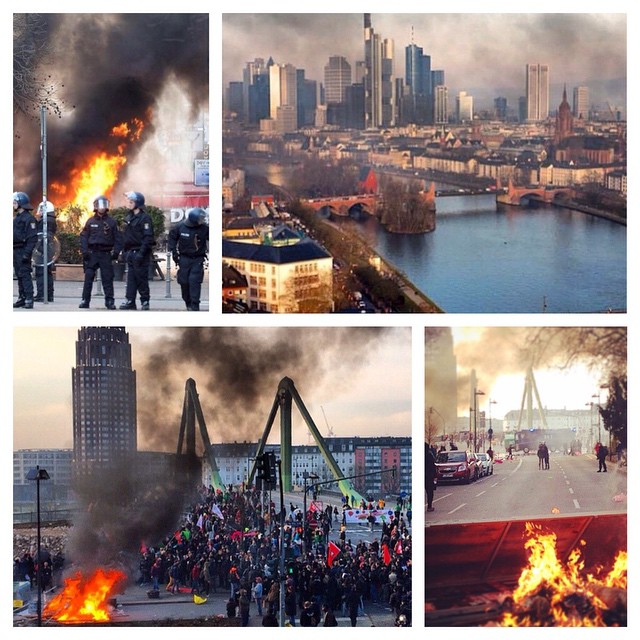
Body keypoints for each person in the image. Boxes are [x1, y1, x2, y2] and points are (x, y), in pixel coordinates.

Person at [78, 196, 122, 309]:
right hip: (92, 254)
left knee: (107, 279)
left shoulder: (111, 222)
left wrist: (116, 252)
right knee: (88, 278)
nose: (102, 208)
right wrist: (84, 251)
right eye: (99, 205)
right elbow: (83, 237)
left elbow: (118, 238)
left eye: (104, 205)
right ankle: (85, 301)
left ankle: (109, 302)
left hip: (105, 254)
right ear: (95, 206)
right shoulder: (90, 221)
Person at [167, 207, 209, 310]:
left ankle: (195, 306)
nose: (202, 221)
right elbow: (172, 237)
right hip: (184, 258)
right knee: (184, 282)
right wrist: (173, 251)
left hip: (197, 259)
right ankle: (188, 302)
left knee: (194, 282)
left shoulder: (204, 228)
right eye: (200, 219)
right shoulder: (181, 227)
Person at [120, 191, 154, 310]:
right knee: (131, 279)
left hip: (140, 252)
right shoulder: (129, 217)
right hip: (130, 252)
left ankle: (145, 301)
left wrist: (141, 253)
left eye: (131, 202)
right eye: (129, 201)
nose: (129, 204)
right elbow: (125, 236)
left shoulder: (144, 219)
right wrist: (123, 252)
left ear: (137, 203)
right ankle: (130, 301)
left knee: (141, 278)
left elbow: (148, 237)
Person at [13, 192, 38, 309]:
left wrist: (26, 254)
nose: (13, 204)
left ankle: (29, 298)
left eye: (15, 202)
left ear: (21, 203)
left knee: (25, 275)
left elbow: (32, 238)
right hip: (15, 249)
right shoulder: (17, 218)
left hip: (23, 250)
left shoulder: (29, 219)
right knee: (19, 275)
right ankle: (21, 297)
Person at [34, 201, 57, 302]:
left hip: (43, 250)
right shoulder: (51, 220)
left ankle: (41, 295)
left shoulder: (45, 221)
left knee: (41, 272)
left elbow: (42, 236)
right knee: (47, 272)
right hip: (48, 249)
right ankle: (49, 294)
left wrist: (38, 248)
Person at [426, 443, 437, 512]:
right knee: (430, 492)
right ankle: (429, 506)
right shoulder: (429, 455)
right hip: (429, 477)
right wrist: (434, 476)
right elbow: (433, 466)